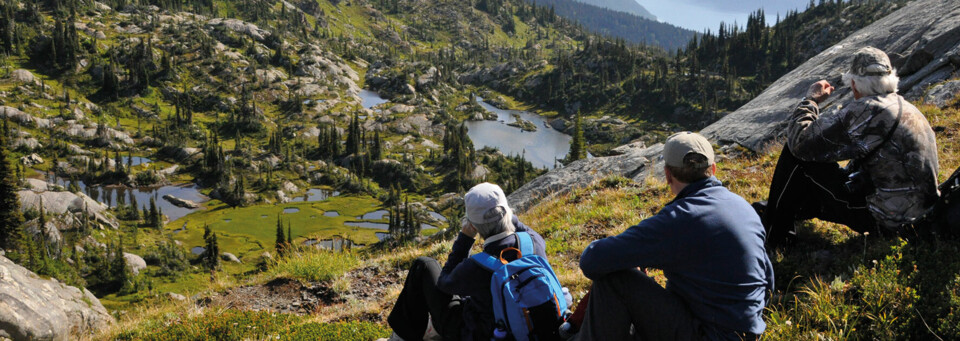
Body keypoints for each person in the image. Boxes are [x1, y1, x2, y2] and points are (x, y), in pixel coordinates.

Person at [572, 132, 774, 341]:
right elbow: (767, 279)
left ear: (668, 174)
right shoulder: (744, 208)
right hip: (746, 334)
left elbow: (592, 260)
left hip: (707, 334)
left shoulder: (679, 218)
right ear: (713, 169)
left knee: (617, 281)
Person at [761, 46, 940, 248]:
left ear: (854, 84)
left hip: (886, 220)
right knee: (822, 175)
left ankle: (775, 237)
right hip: (919, 213)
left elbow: (800, 142)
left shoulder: (868, 110)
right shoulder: (904, 106)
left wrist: (810, 100)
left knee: (797, 158)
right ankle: (775, 211)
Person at [382, 182, 549, 341]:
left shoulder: (477, 267)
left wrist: (465, 239)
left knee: (424, 266)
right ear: (507, 212)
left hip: (481, 334)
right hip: (530, 326)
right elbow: (519, 226)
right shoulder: (534, 242)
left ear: (473, 226)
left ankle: (402, 337)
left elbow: (445, 283)